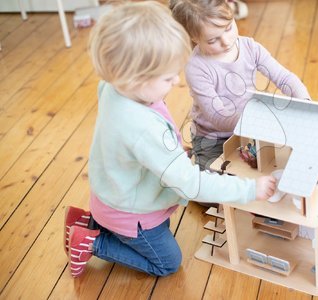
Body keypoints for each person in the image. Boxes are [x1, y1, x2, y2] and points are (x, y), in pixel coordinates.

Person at [64, 1, 276, 278]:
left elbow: (130, 144)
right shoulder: (144, 128)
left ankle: (89, 220)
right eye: (167, 77)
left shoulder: (111, 86)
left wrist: (172, 149)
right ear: (136, 79)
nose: (177, 81)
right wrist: (249, 190)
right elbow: (190, 184)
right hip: (132, 214)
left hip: (110, 195)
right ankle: (93, 241)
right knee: (168, 263)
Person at [170, 0, 311, 175]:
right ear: (194, 38)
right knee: (212, 195)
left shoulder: (250, 47)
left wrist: (305, 102)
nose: (226, 41)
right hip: (213, 139)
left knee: (273, 170)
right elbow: (218, 117)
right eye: (213, 40)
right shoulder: (196, 67)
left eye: (228, 28)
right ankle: (193, 158)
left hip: (250, 131)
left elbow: (284, 78)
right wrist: (260, 121)